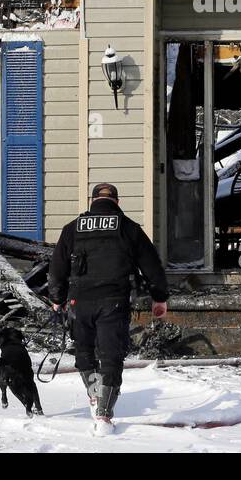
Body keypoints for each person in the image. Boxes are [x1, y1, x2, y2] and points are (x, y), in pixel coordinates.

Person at [47, 183, 169, 436]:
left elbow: (57, 266)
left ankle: (94, 394)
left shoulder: (72, 228)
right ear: (117, 203)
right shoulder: (129, 228)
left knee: (83, 349)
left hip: (79, 302)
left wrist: (57, 298)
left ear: (92, 202)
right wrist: (159, 298)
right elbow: (152, 266)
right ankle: (104, 412)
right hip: (114, 300)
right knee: (111, 355)